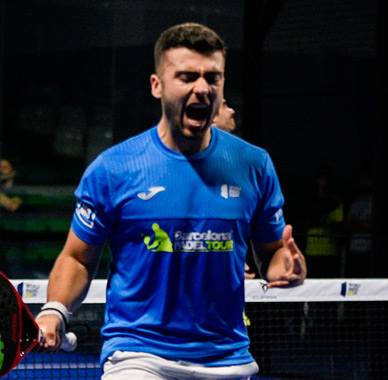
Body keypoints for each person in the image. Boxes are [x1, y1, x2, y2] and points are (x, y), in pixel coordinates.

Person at [35, 23, 306, 380]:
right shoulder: (113, 169)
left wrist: (284, 267)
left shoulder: (254, 164)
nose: (202, 88)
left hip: (227, 358)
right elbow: (77, 257)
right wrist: (55, 309)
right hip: (138, 356)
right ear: (157, 85)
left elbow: (271, 252)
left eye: (213, 77)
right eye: (187, 76)